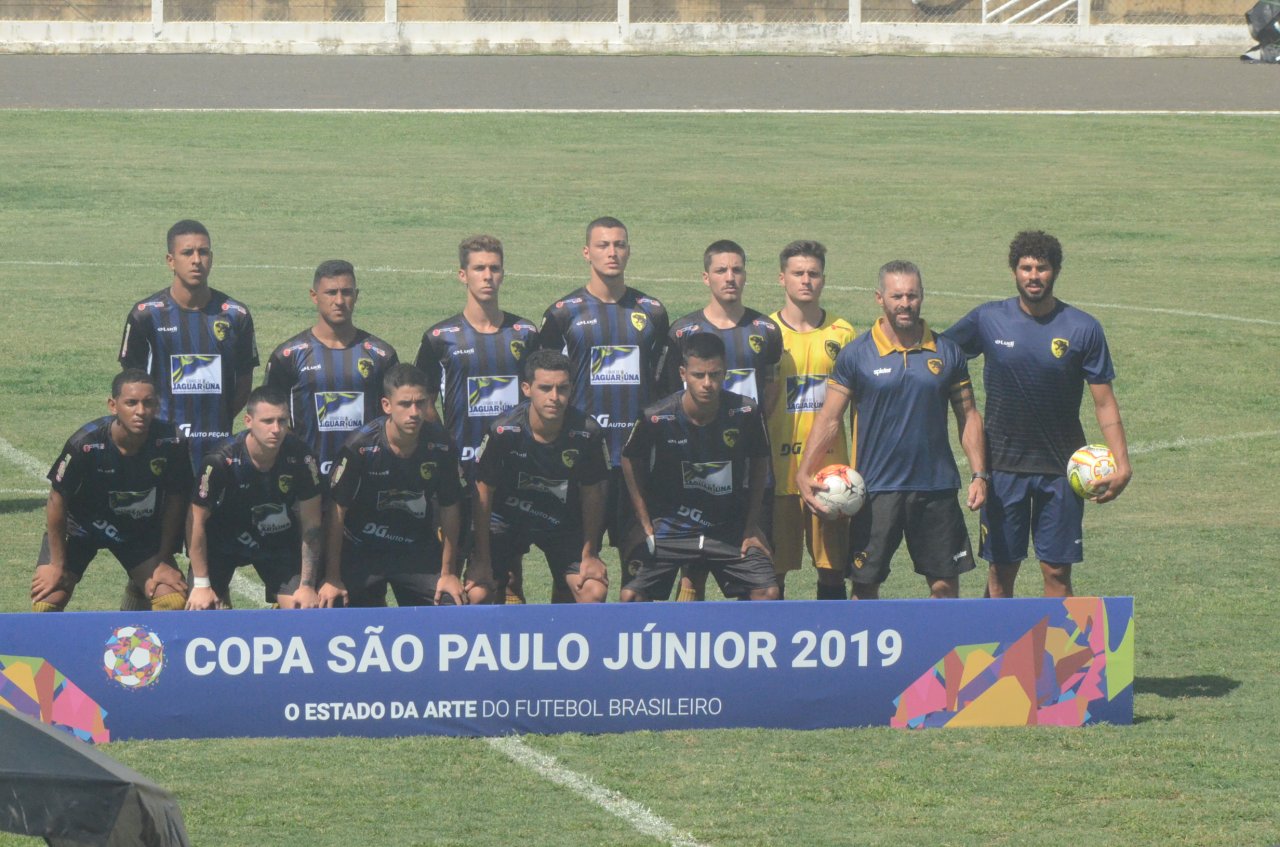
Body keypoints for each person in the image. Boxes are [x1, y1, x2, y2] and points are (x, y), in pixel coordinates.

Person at [943, 231, 1132, 598]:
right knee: (1001, 570)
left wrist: (1122, 464)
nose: (1033, 275)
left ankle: (1057, 656)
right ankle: (994, 653)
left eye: (1041, 268)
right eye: (1026, 267)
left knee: (1057, 573)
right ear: (1014, 271)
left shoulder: (1083, 328)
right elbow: (938, 355)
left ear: (1055, 271)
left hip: (1062, 472)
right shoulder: (988, 319)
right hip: (1002, 470)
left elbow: (1105, 402)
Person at [796, 261, 987, 600]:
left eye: (912, 296)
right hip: (874, 490)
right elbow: (829, 418)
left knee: (944, 587)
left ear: (922, 297)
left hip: (936, 488)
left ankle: (937, 653)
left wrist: (979, 474)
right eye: (896, 295)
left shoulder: (947, 352)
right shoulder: (856, 355)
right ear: (879, 298)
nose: (905, 303)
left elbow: (968, 415)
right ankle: (867, 654)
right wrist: (804, 471)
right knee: (865, 586)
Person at [117, 219, 258, 611]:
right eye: (188, 253)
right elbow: (131, 386)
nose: (197, 260)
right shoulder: (146, 314)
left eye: (204, 251)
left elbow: (242, 386)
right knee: (155, 563)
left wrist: (214, 427)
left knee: (214, 561)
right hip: (161, 457)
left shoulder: (235, 315)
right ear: (170, 260)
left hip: (215, 455)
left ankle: (215, 635)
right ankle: (134, 614)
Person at [539, 217, 669, 585]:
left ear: (629, 251)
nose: (612, 252)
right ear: (586, 252)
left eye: (619, 244)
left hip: (638, 461)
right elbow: (543, 386)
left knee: (643, 579)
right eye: (603, 245)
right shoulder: (563, 314)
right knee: (580, 579)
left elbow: (663, 389)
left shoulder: (653, 312)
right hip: (581, 462)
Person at [414, 235, 539, 603]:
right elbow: (421, 400)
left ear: (503, 273)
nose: (487, 276)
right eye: (479, 268)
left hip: (515, 468)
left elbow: (544, 391)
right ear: (462, 275)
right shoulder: (440, 338)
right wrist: (446, 443)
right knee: (469, 578)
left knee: (511, 572)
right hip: (462, 471)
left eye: (494, 268)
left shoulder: (526, 333)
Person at [662, 239, 783, 601]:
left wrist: (749, 432)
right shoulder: (681, 333)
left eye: (737, 269)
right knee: (692, 577)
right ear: (706, 277)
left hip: (749, 470)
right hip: (697, 472)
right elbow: (670, 399)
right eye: (721, 270)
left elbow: (772, 389)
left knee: (756, 567)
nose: (730, 277)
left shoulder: (766, 330)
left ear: (746, 274)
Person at [619, 333, 778, 602]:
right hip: (670, 528)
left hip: (727, 530)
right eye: (698, 375)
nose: (707, 384)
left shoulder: (746, 413)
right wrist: (644, 523)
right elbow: (629, 458)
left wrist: (751, 526)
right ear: (683, 373)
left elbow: (761, 460)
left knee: (767, 592)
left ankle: (736, 642)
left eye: (715, 375)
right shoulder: (656, 417)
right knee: (631, 596)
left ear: (725, 372)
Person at [30, 370, 191, 612]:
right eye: (131, 403)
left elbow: (177, 501)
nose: (140, 411)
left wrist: (164, 558)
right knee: (45, 604)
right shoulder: (85, 443)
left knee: (172, 601)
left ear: (157, 406)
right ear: (113, 405)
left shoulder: (172, 442)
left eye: (148, 403)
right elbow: (56, 500)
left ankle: (136, 598)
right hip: (81, 529)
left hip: (137, 531)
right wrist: (56, 563)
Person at [469, 350, 611, 604]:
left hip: (562, 523)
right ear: (527, 388)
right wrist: (481, 558)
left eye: (562, 389)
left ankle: (565, 637)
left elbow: (593, 493)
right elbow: (483, 492)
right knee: (478, 593)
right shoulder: (504, 431)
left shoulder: (588, 432)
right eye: (545, 388)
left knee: (593, 591)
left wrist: (590, 553)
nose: (554, 397)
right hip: (507, 522)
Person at [323, 364, 470, 608]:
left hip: (415, 550)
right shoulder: (359, 447)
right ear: (386, 405)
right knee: (333, 602)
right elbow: (337, 511)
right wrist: (331, 576)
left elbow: (450, 506)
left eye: (420, 403)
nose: (414, 412)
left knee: (450, 602)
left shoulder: (441, 445)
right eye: (405, 404)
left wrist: (448, 573)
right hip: (362, 550)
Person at [767, 240, 858, 600]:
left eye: (813, 273)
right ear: (781, 278)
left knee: (833, 573)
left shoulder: (844, 334)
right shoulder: (766, 333)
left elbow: (856, 410)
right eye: (798, 273)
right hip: (779, 474)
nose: (806, 280)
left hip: (831, 477)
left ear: (823, 280)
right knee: (773, 578)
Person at [186, 386, 325, 610]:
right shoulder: (219, 461)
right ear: (248, 421)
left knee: (304, 611)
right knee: (202, 611)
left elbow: (312, 525)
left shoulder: (302, 457)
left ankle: (279, 612)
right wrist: (202, 584)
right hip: (221, 544)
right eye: (267, 421)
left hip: (275, 543)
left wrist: (307, 585)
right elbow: (196, 521)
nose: (276, 429)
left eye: (282, 421)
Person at [264, 260, 399, 480]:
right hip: (307, 478)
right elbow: (268, 417)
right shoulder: (288, 356)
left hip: (367, 476)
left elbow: (395, 418)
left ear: (356, 295)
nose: (339, 301)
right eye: (330, 293)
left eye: (346, 292)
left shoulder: (382, 355)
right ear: (314, 296)